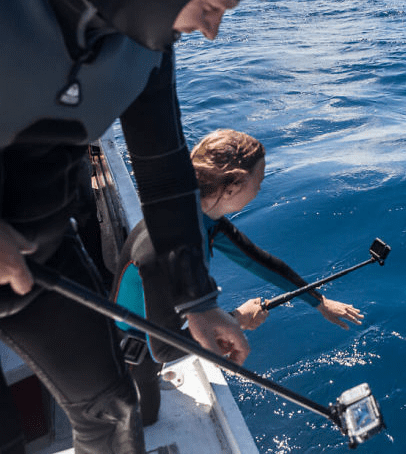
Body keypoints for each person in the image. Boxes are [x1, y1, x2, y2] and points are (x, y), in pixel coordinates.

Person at [0, 0, 278, 452]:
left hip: (42, 257)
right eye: (212, 6)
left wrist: (199, 304)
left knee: (113, 410)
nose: (210, 32)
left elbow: (163, 173)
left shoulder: (148, 41)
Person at [113, 130, 364, 425]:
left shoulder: (203, 219)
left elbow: (261, 261)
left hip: (156, 331)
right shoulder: (163, 248)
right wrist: (237, 319)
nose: (260, 186)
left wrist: (319, 302)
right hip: (133, 352)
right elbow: (163, 348)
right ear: (232, 186)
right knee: (147, 421)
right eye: (258, 179)